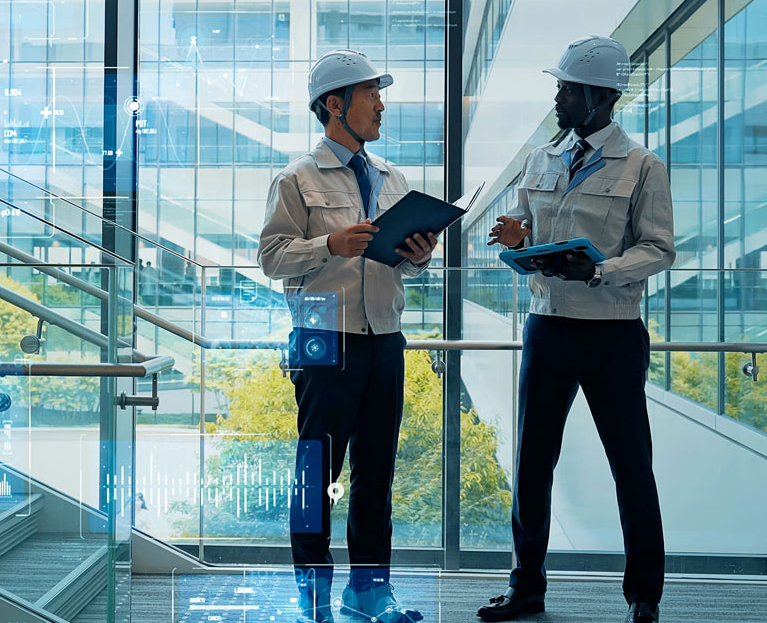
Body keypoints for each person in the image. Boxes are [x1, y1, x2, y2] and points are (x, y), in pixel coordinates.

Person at [478, 36, 675, 623]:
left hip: (612, 333)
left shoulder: (642, 166)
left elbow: (660, 249)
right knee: (533, 463)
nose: (558, 97)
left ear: (598, 97)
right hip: (548, 329)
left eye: (566, 88)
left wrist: (602, 270)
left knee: (631, 465)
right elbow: (528, 232)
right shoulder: (543, 158)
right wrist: (517, 240)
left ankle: (644, 596)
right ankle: (526, 589)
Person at [258, 49, 437, 623]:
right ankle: (312, 598)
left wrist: (419, 255)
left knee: (377, 472)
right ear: (335, 106)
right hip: (321, 335)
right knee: (316, 473)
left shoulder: (392, 179)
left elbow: (399, 260)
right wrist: (330, 246)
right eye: (370, 95)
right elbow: (271, 258)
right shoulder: (296, 179)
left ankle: (368, 592)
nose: (381, 104)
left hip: (385, 335)